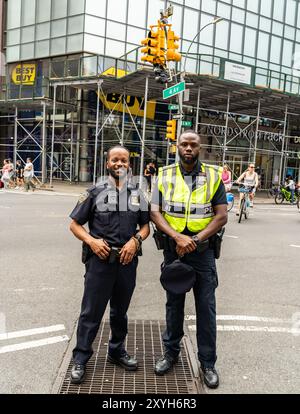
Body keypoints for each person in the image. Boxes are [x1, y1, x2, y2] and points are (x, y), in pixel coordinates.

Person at [151, 131, 228, 389]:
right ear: (177, 146)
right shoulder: (163, 175)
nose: (188, 148)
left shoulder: (214, 177)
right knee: (174, 305)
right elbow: (154, 211)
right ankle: (171, 354)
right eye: (183, 144)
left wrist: (193, 240)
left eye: (193, 145)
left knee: (206, 308)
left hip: (202, 252)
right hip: (173, 250)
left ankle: (207, 363)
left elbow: (221, 216)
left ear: (199, 148)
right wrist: (176, 237)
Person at [69, 145, 150, 384]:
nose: (119, 164)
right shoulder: (94, 192)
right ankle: (81, 358)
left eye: (123, 160)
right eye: (115, 160)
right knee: (91, 312)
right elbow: (74, 224)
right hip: (100, 262)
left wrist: (136, 240)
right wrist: (91, 241)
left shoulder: (138, 194)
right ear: (108, 164)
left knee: (120, 312)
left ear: (129, 165)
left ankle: (116, 351)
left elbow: (146, 226)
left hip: (127, 262)